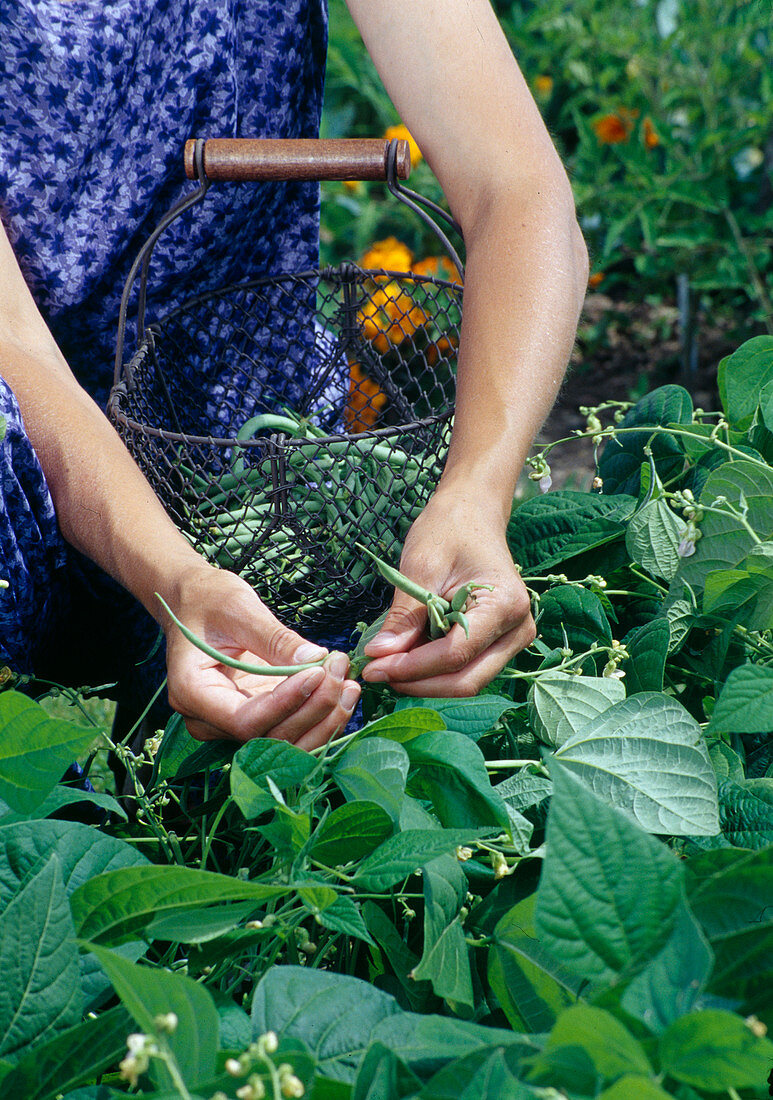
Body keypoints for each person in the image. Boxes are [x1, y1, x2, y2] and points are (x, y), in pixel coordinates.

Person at [0, 0, 587, 752]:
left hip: (248, 477)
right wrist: (178, 585)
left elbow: (517, 188)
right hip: (32, 474)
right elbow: (16, 345)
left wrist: (475, 490)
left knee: (309, 773)